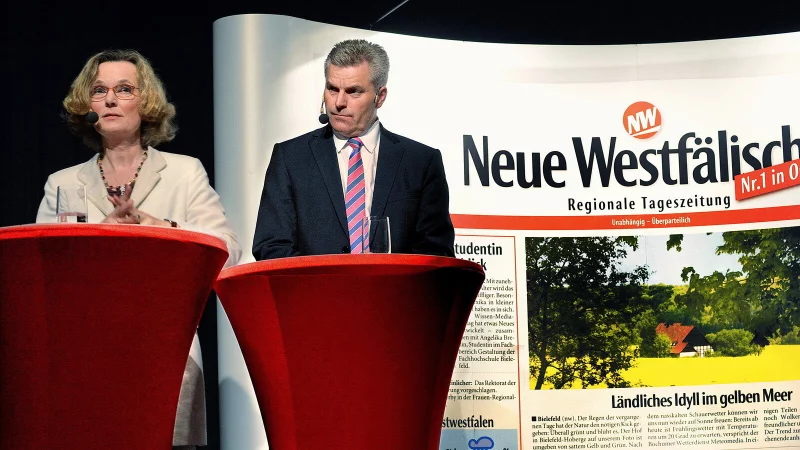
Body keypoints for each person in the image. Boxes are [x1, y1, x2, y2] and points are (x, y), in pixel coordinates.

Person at [36, 49, 241, 449]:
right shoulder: (61, 183)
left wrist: (158, 227)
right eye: (99, 91)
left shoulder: (184, 171)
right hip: (85, 356)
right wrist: (101, 235)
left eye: (124, 89)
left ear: (145, 103)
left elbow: (227, 251)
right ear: (87, 105)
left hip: (166, 354)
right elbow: (43, 272)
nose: (110, 99)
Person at [252, 39, 455, 260]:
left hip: (392, 293)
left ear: (380, 96)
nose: (338, 102)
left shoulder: (421, 162)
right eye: (332, 89)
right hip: (314, 293)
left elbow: (437, 252)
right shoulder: (290, 158)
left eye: (353, 92)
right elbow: (271, 246)